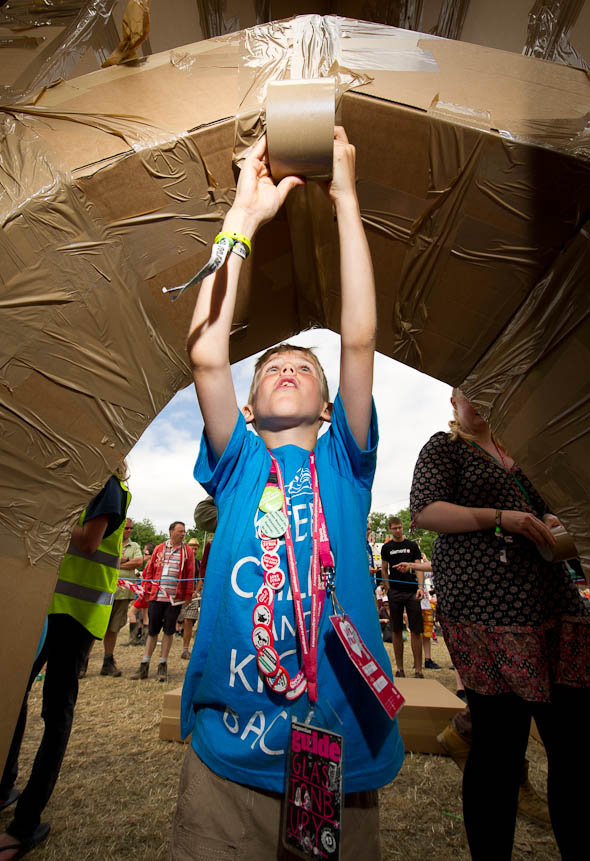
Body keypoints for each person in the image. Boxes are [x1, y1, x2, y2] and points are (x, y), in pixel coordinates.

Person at [170, 128, 403, 860]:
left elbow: (358, 338)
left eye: (306, 364)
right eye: (273, 365)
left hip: (334, 753)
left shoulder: (344, 462)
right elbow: (207, 349)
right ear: (246, 409)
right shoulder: (236, 464)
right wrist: (244, 211)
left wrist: (346, 197)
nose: (289, 367)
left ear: (331, 408)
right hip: (227, 757)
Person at [410, 388, 590, 859]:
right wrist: (500, 518)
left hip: (551, 603)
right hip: (487, 611)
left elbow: (558, 506)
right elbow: (426, 511)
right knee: (500, 748)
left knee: (573, 744)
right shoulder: (444, 448)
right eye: (468, 394)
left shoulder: (527, 451)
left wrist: (552, 518)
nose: (480, 402)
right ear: (453, 404)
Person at [0, 470, 130, 859]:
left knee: (55, 715)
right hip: (49, 607)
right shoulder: (81, 486)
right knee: (13, 693)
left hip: (75, 615)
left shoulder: (108, 486)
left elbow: (90, 543)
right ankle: (5, 784)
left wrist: (41, 524)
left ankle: (24, 825)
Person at [131, 521, 195, 683]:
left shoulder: (187, 552)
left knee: (168, 631)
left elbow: (190, 573)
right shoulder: (160, 549)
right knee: (152, 631)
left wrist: (187, 596)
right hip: (156, 597)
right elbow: (150, 570)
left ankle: (162, 664)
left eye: (184, 531)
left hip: (174, 599)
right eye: (180, 531)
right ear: (171, 531)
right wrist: (146, 590)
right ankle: (144, 664)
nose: (183, 534)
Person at [380, 516, 424, 677]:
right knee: (397, 630)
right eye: (395, 528)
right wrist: (388, 588)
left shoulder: (412, 546)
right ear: (390, 529)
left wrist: (420, 587)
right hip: (395, 592)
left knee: (416, 631)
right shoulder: (387, 547)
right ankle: (400, 668)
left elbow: (419, 567)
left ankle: (418, 669)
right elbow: (384, 569)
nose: (398, 530)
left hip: (412, 591)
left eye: (400, 527)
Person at [100, 518, 142, 675]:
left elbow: (138, 562)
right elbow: (102, 559)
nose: (129, 531)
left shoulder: (134, 546)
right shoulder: (109, 541)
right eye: (126, 528)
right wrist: (123, 561)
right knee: (95, 626)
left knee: (114, 628)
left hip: (124, 594)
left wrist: (117, 563)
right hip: (104, 591)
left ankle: (108, 661)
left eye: (131, 528)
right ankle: (83, 661)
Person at [124, 542, 155, 647]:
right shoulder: (151, 564)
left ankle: (132, 638)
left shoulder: (150, 564)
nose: (143, 555)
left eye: (145, 553)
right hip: (146, 593)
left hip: (144, 593)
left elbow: (149, 579)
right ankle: (144, 639)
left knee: (131, 613)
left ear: (151, 554)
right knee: (145, 615)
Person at [180, 538, 201, 660]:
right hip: (179, 595)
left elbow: (200, 579)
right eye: (192, 547)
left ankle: (185, 650)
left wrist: (196, 591)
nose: (194, 550)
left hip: (192, 596)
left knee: (189, 621)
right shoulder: (182, 560)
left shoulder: (198, 563)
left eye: (196, 548)